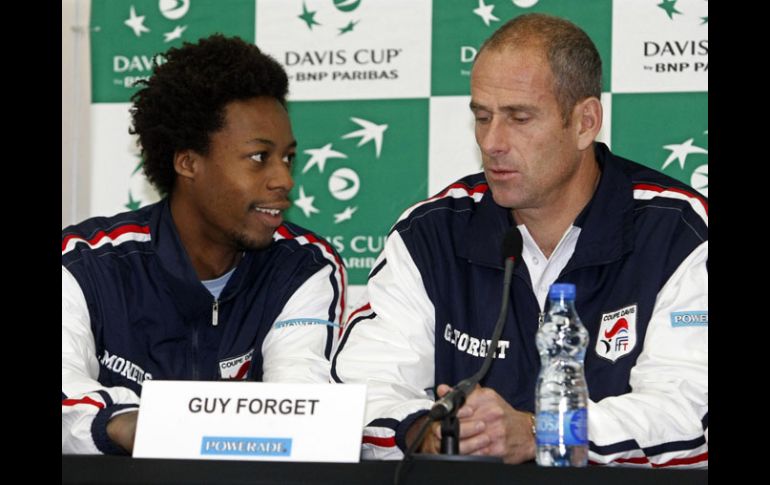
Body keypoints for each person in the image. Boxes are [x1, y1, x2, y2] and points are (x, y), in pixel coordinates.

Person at [332, 13, 707, 468]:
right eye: (482, 117)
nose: (492, 142)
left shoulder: (678, 232)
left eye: (519, 118)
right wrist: (428, 430)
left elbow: (687, 409)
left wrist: (540, 432)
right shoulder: (430, 233)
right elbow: (361, 391)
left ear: (586, 122)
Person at [62, 35, 346, 455]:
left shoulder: (303, 268)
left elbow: (300, 410)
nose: (283, 180)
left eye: (288, 158)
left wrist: (174, 425)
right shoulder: (87, 264)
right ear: (188, 162)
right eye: (258, 157)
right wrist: (124, 423)